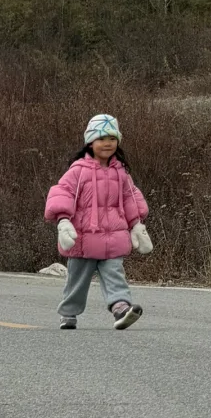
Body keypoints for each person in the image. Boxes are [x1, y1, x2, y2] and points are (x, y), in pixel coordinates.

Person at [44, 113, 153, 330]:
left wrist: (137, 224)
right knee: (77, 281)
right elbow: (62, 193)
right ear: (90, 142)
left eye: (112, 138)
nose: (107, 143)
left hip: (114, 236)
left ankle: (121, 308)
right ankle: (68, 314)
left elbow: (131, 199)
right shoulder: (77, 171)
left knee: (115, 273)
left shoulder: (121, 174)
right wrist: (64, 221)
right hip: (83, 238)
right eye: (102, 138)